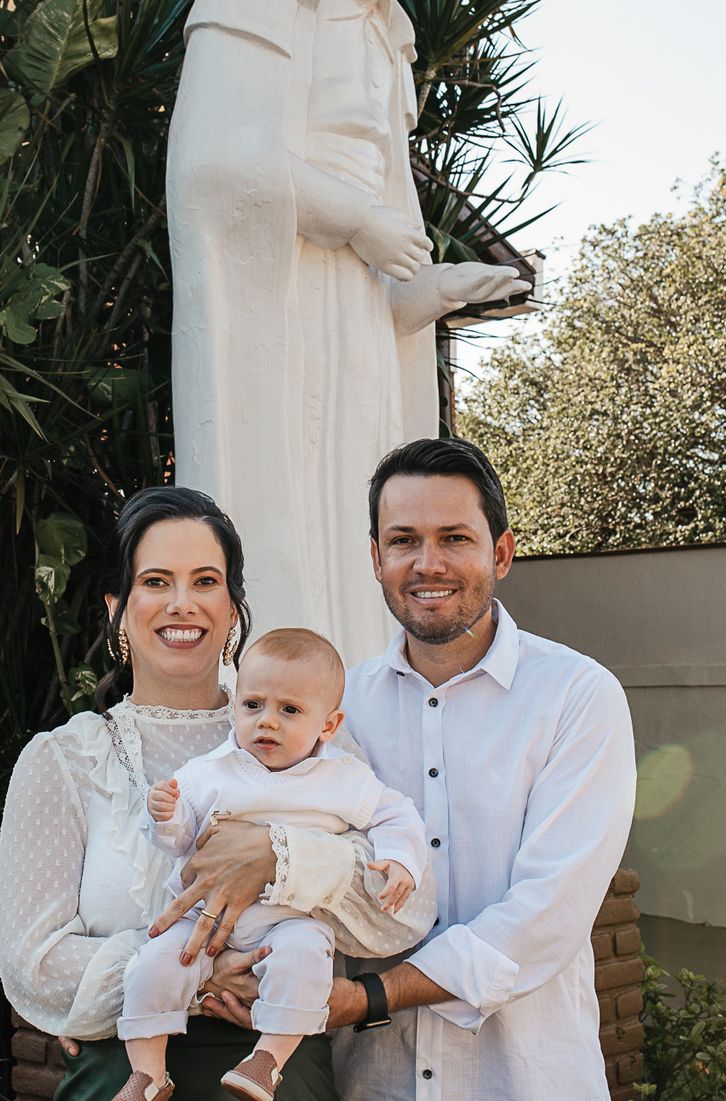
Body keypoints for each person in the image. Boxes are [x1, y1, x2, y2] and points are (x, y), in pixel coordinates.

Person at [176, 439, 637, 1099]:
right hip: (374, 1083)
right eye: (403, 540)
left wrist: (366, 996)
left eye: (454, 537)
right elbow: (295, 871)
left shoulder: (576, 696)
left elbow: (545, 918)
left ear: (501, 552)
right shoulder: (335, 710)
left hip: (525, 1079)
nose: (428, 563)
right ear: (376, 557)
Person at [168, 0, 529, 666]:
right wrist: (355, 220)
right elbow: (214, 164)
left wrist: (431, 288)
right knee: (282, 506)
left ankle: (356, 720)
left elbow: (390, 232)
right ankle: (274, 709)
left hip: (362, 326)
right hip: (274, 304)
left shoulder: (389, 38)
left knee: (358, 508)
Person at [0, 488, 432, 1101]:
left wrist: (280, 857)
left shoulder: (314, 744)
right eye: (155, 581)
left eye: (205, 581)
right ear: (117, 608)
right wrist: (200, 977)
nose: (182, 603)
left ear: (233, 609)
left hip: (280, 1077)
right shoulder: (64, 760)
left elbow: (405, 913)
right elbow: (32, 970)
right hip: (121, 1080)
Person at [116, 629, 428, 1101]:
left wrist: (401, 858)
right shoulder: (209, 770)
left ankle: (267, 1061)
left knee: (306, 960)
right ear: (236, 705)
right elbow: (180, 843)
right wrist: (165, 815)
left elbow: (395, 812)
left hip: (289, 920)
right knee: (152, 963)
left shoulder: (341, 776)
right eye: (253, 705)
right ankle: (147, 1074)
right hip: (203, 923)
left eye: (290, 710)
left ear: (328, 724)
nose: (268, 722)